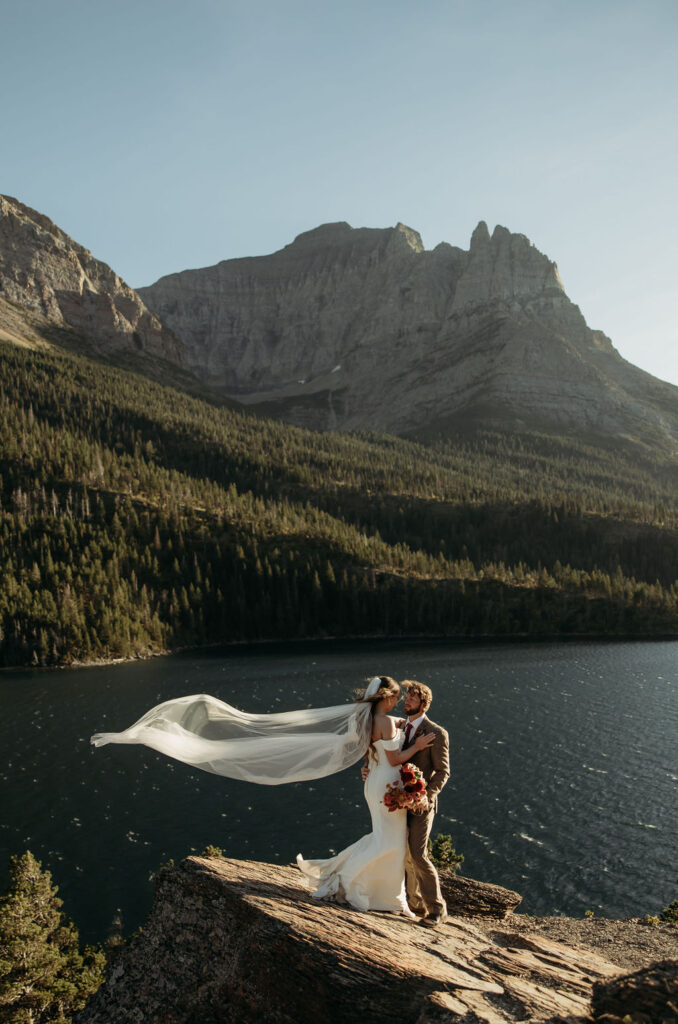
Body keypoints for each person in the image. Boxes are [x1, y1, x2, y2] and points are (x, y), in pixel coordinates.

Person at [296, 676, 435, 917]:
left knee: (385, 838)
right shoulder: (385, 722)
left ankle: (382, 893)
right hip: (387, 785)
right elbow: (395, 759)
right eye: (395, 698)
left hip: (376, 782)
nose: (397, 702)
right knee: (390, 842)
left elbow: (373, 751)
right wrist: (418, 746)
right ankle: (349, 879)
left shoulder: (370, 721)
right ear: (387, 697)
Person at [362, 678, 450, 927]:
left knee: (419, 855)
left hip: (421, 804)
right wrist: (369, 767)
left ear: (424, 704)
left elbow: (443, 772)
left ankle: (437, 910)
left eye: (412, 699)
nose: (406, 701)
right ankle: (414, 903)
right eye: (407, 697)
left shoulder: (437, 733)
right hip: (398, 802)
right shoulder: (400, 727)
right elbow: (385, 753)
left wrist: (426, 796)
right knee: (403, 853)